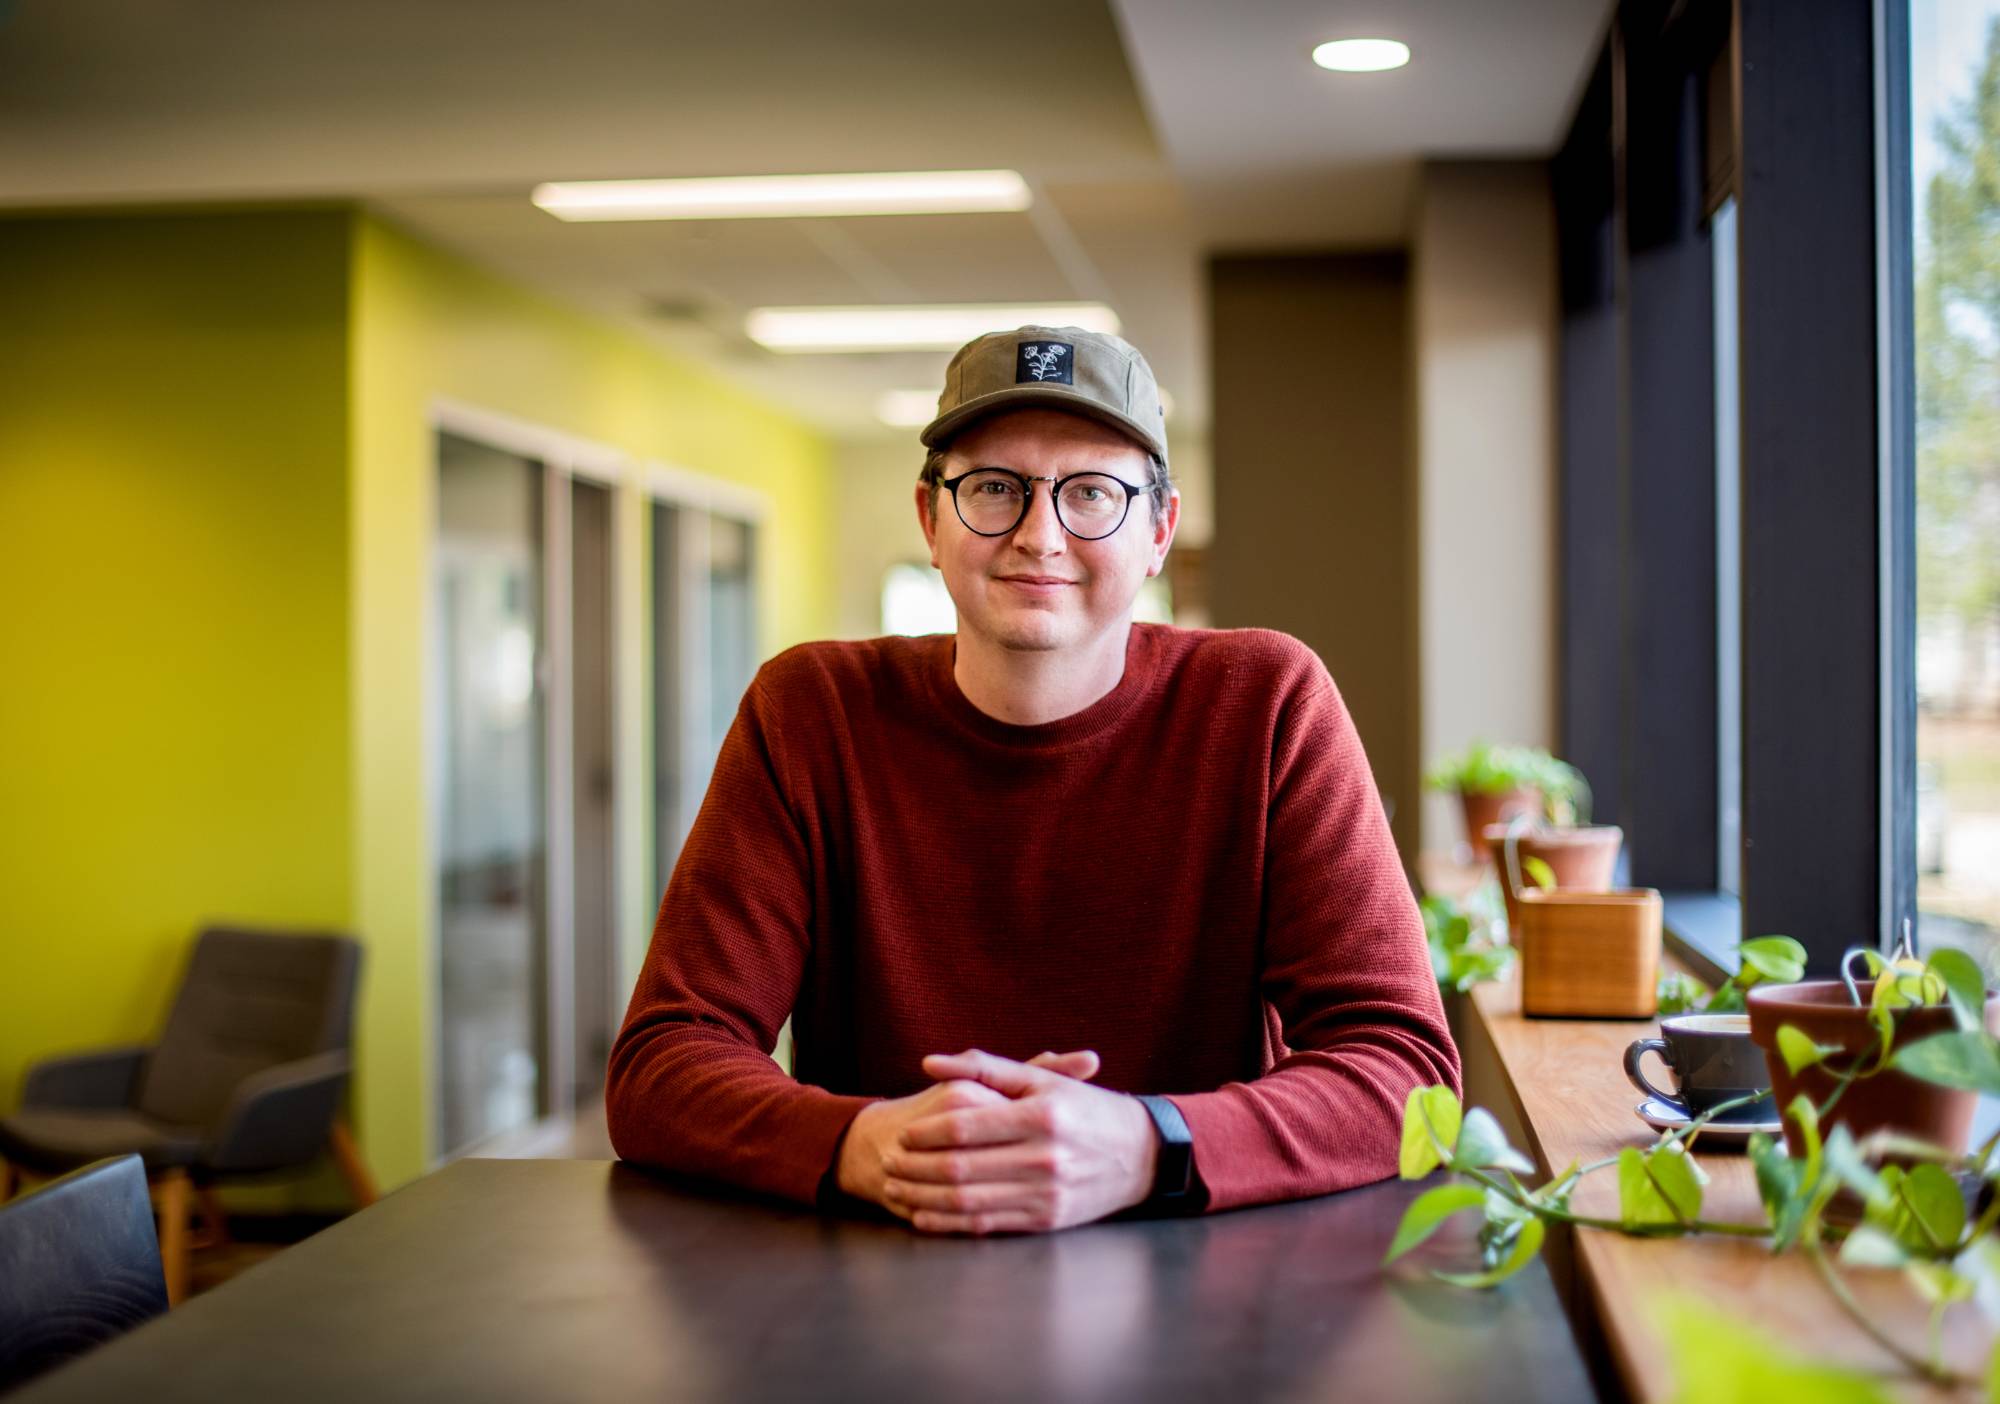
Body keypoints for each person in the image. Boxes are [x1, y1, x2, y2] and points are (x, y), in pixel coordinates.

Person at [607, 325, 1459, 1235]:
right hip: (874, 1271)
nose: (1038, 535)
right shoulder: (811, 710)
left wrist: (1145, 1142)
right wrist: (867, 1142)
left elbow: (1406, 1071)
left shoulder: (1266, 704)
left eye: (1092, 492)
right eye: (994, 489)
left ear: (1159, 530)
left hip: (1196, 1274)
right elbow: (663, 1061)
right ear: (932, 521)